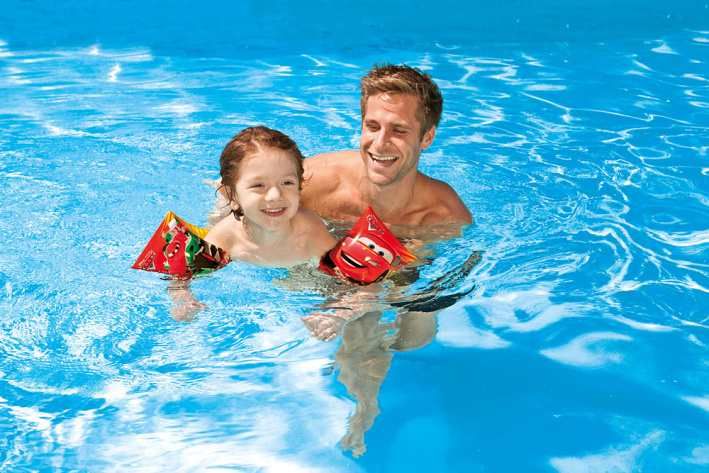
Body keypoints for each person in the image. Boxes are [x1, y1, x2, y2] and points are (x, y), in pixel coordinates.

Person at [171, 126, 336, 320]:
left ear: (300, 187)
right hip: (237, 212)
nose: (275, 195)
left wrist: (336, 312)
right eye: (259, 185)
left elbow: (350, 277)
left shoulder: (310, 233)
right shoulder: (226, 238)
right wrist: (183, 300)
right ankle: (224, 197)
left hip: (290, 247)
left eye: (287, 183)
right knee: (218, 218)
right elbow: (180, 278)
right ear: (233, 194)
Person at [300, 64, 472, 226]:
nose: (380, 144)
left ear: (427, 137)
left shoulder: (444, 217)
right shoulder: (310, 183)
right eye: (373, 127)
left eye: (399, 130)